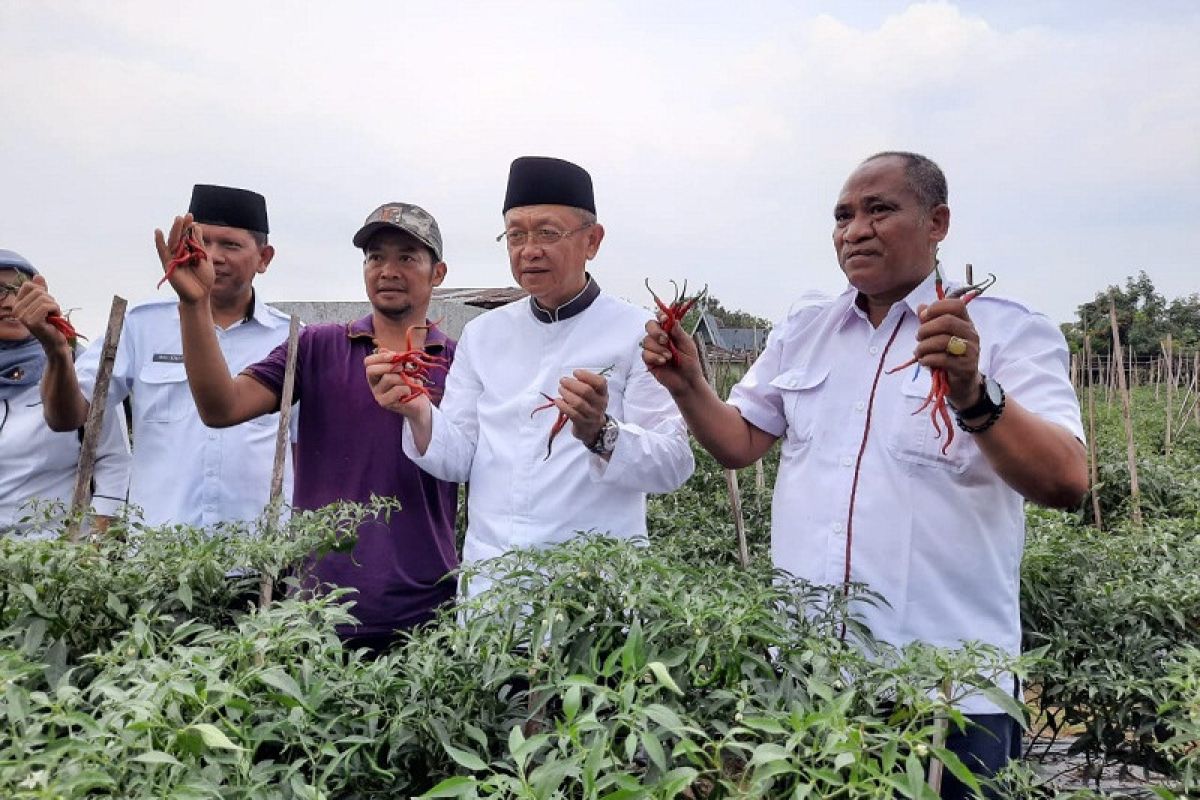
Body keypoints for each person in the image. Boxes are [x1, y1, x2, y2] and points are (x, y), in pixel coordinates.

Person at [641, 152, 1088, 797]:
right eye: (843, 216)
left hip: (947, 692)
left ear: (938, 222)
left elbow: (1067, 481)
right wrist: (688, 385)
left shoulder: (1007, 331)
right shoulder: (806, 327)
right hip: (808, 680)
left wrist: (972, 393)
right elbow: (739, 443)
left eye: (879, 210)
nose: (855, 230)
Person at [368, 156, 694, 597]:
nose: (529, 249)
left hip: (593, 597)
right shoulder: (483, 335)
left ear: (592, 241)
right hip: (493, 592)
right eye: (516, 234)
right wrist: (418, 412)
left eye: (547, 233)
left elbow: (674, 464)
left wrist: (601, 432)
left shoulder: (639, 333)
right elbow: (461, 457)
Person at [161, 202, 458, 653]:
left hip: (427, 611)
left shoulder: (459, 363)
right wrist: (194, 304)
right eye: (376, 257)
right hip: (320, 610)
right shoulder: (316, 347)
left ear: (437, 273)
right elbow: (221, 406)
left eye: (407, 257)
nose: (388, 270)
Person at [19, 185, 294, 529]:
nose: (212, 257)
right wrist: (57, 353)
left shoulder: (291, 339)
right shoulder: (140, 324)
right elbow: (69, 416)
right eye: (201, 242)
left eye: (230, 245)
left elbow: (303, 446)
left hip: (261, 558)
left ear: (264, 258)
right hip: (158, 559)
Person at [1, 250, 131, 538]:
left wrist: (97, 550)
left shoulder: (80, 368)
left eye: (21, 290)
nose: (11, 303)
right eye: (0, 292)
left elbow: (114, 461)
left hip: (56, 559)